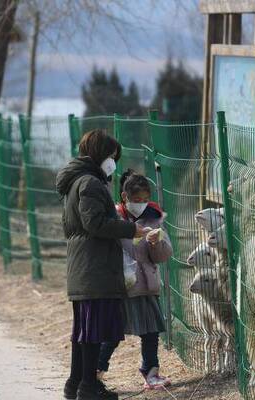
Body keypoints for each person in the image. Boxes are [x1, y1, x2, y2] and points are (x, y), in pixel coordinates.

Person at [56, 130, 150, 400]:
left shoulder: (76, 182)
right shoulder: (90, 184)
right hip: (94, 268)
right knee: (92, 332)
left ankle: (76, 384)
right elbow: (94, 223)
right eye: (111, 156)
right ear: (100, 154)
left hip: (83, 267)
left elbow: (72, 227)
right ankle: (88, 387)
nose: (113, 162)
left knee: (84, 332)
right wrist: (130, 229)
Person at [97, 170, 173, 390]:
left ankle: (151, 371)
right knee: (112, 332)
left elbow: (163, 256)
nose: (140, 204)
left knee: (150, 332)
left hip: (146, 285)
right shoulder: (113, 218)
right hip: (121, 286)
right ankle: (97, 369)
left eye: (144, 200)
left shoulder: (154, 218)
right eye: (136, 200)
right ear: (124, 197)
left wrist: (154, 242)